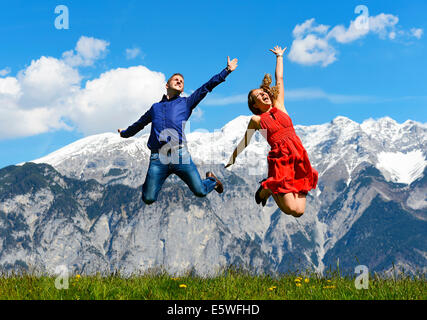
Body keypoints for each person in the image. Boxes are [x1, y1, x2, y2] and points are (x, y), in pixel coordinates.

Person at [118, 56, 238, 205]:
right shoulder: (155, 107)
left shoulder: (186, 103)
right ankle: (150, 183)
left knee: (200, 191)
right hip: (158, 158)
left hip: (180, 155)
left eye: (181, 81)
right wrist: (124, 133)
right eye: (176, 79)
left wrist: (226, 71)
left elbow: (206, 87)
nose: (179, 81)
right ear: (166, 84)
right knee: (148, 198)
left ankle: (212, 180)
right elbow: (140, 123)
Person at [225, 46, 317, 218]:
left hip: (298, 154)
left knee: (299, 211)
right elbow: (245, 140)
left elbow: (279, 78)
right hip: (280, 159)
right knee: (289, 208)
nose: (263, 95)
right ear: (255, 106)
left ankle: (268, 187)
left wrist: (280, 57)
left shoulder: (280, 105)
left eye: (263, 92)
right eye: (258, 96)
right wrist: (233, 157)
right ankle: (268, 187)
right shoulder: (257, 121)